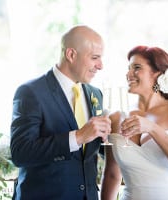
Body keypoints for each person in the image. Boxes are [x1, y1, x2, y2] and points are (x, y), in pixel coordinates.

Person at [10, 25, 111, 200]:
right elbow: (21, 153)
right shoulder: (31, 92)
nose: (100, 65)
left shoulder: (95, 94)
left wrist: (112, 136)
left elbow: (89, 154)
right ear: (71, 55)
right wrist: (78, 136)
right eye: (95, 57)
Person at [100, 46, 168, 200]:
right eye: (128, 68)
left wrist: (152, 128)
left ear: (158, 74)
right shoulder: (115, 118)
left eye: (137, 68)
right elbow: (112, 174)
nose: (128, 74)